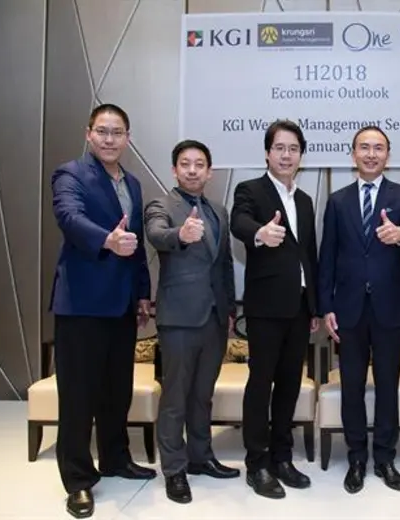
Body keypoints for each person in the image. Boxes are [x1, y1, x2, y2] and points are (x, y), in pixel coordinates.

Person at [49, 103, 156, 519]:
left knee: (116, 390)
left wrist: (143, 293)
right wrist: (106, 240)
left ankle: (115, 458)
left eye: (117, 132)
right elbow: (68, 217)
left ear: (127, 137)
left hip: (122, 303)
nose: (110, 139)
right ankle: (77, 479)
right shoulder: (71, 174)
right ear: (89, 133)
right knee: (79, 395)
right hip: (82, 304)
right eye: (103, 131)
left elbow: (137, 242)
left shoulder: (132, 183)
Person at [318, 126, 400, 494]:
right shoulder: (338, 200)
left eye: (378, 148)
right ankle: (356, 458)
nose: (370, 154)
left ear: (387, 156)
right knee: (351, 386)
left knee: (387, 386)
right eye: (364, 148)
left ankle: (384, 457)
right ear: (353, 155)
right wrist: (326, 306)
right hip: (348, 310)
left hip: (389, 308)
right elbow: (327, 255)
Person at [144, 140, 240, 504]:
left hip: (214, 318)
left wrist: (229, 310)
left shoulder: (219, 210)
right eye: (185, 164)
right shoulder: (161, 205)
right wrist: (180, 236)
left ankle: (201, 457)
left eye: (200, 164)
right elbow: (156, 234)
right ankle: (174, 469)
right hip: (179, 318)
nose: (193, 170)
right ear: (174, 170)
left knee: (202, 395)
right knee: (176, 396)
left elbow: (225, 264)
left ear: (209, 172)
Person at [231, 120, 319, 499]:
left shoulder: (305, 200)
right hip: (265, 307)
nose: (286, 155)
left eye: (293, 149)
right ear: (267, 153)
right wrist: (260, 233)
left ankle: (283, 457)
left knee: (289, 384)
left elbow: (309, 256)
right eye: (279, 148)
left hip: (299, 307)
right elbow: (238, 221)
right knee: (260, 384)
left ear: (301, 155)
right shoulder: (250, 190)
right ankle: (257, 463)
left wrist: (315, 306)